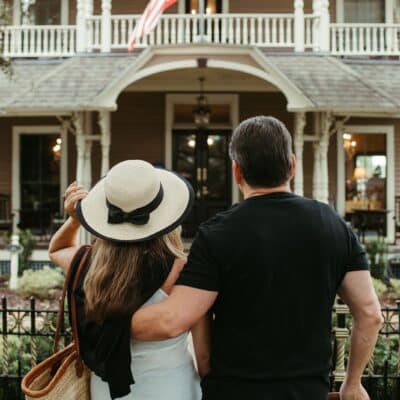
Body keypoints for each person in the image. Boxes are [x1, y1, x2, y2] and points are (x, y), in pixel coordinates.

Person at [131, 116, 383, 400]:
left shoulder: (216, 234)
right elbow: (371, 315)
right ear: (292, 165)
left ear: (237, 172)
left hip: (233, 391)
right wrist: (352, 383)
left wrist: (100, 320)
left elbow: (171, 320)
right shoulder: (333, 225)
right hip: (307, 392)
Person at [49, 160, 206, 400]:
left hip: (107, 391)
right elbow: (204, 355)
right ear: (167, 218)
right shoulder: (183, 269)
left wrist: (74, 219)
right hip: (171, 388)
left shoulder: (88, 265)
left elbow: (57, 250)